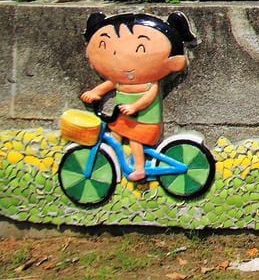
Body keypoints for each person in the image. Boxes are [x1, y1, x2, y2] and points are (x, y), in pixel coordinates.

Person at [80, 11, 196, 182]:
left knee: (135, 141)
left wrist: (135, 107)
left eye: (140, 50)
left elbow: (149, 98)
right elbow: (109, 85)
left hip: (144, 121)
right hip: (123, 117)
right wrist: (94, 92)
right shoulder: (120, 81)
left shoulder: (150, 84)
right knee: (115, 136)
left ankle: (139, 169)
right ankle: (115, 162)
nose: (123, 62)